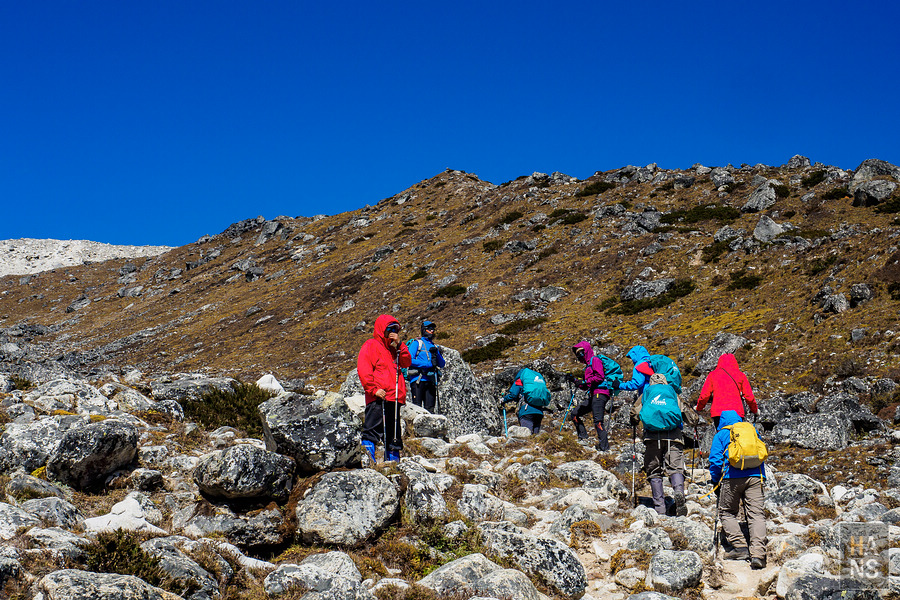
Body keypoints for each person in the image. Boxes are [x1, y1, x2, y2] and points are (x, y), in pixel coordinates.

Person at [709, 409, 767, 569]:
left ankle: (740, 547)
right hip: (756, 475)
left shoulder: (721, 435)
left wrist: (716, 482)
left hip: (731, 477)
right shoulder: (752, 430)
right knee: (756, 515)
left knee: (727, 512)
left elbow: (714, 461)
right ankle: (759, 555)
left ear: (722, 421)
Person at [630, 373, 695, 516]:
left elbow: (635, 412)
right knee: (676, 468)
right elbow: (687, 412)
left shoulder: (647, 392)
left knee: (654, 471)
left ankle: (659, 508)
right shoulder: (672, 391)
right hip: (674, 436)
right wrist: (694, 421)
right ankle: (679, 494)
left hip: (652, 437)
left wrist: (634, 421)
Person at [357, 314, 412, 463]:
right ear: (382, 330)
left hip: (393, 398)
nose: (393, 332)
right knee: (371, 430)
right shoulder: (371, 345)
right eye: (390, 329)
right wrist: (373, 389)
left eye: (396, 329)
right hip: (378, 397)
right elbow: (364, 369)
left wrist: (400, 344)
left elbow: (407, 362)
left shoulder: (395, 350)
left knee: (394, 435)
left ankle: (393, 464)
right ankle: (368, 461)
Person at [695, 353, 757, 429]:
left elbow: (704, 396)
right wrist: (755, 410)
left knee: (722, 436)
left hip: (718, 413)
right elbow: (749, 397)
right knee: (736, 437)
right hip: (737, 413)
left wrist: (698, 408)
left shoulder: (712, 375)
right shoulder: (741, 375)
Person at [571, 341, 613, 451]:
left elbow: (599, 377)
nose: (579, 355)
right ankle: (583, 437)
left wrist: (585, 382)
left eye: (581, 352)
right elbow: (587, 385)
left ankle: (605, 448)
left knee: (598, 421)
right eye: (577, 354)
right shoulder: (588, 366)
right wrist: (577, 382)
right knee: (574, 414)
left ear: (587, 350)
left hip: (601, 393)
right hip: (594, 394)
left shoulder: (595, 360)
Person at [405, 320, 446, 413]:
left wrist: (436, 354)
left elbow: (442, 364)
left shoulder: (434, 346)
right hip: (418, 380)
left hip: (430, 381)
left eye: (433, 329)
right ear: (424, 330)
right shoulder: (417, 343)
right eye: (429, 329)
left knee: (430, 409)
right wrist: (428, 364)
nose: (432, 331)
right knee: (417, 409)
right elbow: (409, 360)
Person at [501, 367, 552, 434]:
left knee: (527, 436)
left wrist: (503, 399)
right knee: (535, 437)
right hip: (539, 412)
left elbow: (513, 395)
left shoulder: (519, 381)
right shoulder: (533, 382)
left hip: (526, 411)